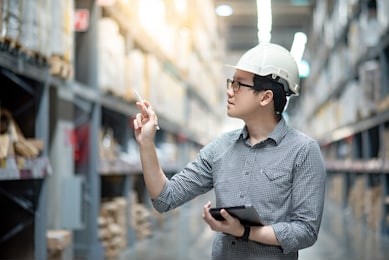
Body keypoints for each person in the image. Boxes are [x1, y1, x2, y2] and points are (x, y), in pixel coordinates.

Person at [133, 42, 326, 260]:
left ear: (265, 97)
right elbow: (165, 198)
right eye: (230, 82)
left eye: (238, 84)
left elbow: (306, 231)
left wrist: (244, 232)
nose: (229, 91)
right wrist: (146, 144)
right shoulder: (220, 148)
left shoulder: (303, 151)